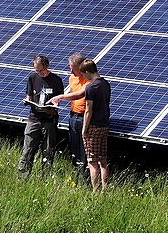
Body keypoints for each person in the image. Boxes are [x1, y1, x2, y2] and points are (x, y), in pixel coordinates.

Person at [51, 60, 111, 192]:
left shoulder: (91, 87)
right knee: (103, 160)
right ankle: (105, 190)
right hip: (104, 125)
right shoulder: (106, 84)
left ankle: (95, 190)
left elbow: (88, 110)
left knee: (92, 161)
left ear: (88, 72)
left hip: (93, 126)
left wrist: (85, 129)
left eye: (84, 74)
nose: (84, 77)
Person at [17, 54, 64, 178]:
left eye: (40, 70)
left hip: (49, 120)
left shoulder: (56, 80)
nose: (38, 72)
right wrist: (27, 101)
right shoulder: (32, 78)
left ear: (46, 67)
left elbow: (58, 101)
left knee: (48, 151)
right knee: (28, 149)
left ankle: (45, 178)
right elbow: (29, 96)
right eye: (36, 70)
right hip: (34, 118)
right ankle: (23, 176)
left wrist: (50, 109)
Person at [63, 53, 91, 181]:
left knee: (84, 149)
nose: (70, 70)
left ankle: (84, 178)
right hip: (73, 116)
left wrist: (60, 97)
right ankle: (76, 173)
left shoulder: (90, 81)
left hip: (84, 118)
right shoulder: (72, 78)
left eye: (72, 67)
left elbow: (79, 95)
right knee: (74, 146)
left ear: (80, 68)